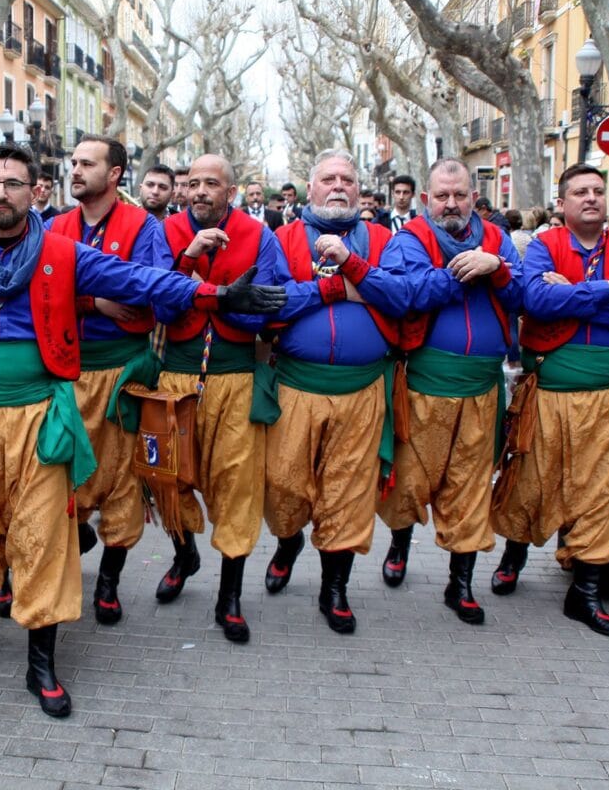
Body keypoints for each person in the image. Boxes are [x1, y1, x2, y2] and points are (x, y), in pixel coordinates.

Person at [0, 143, 284, 717]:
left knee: (43, 537)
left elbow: (141, 282)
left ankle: (41, 661)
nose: (3, 192)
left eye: (15, 182)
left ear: (35, 191)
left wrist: (214, 293)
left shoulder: (63, 253)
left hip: (41, 417)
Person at [490, 164, 609, 636]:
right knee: (531, 481)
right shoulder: (545, 245)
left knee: (602, 491)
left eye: (598, 191)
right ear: (562, 203)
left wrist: (575, 296)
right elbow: (536, 303)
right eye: (580, 192)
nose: (590, 198)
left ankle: (584, 592)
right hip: (550, 393)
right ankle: (514, 555)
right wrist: (607, 292)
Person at [260, 149, 407, 634]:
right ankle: (287, 543)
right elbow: (270, 304)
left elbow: (403, 298)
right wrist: (335, 290)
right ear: (310, 186)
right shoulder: (279, 239)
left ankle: (335, 589)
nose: (338, 185)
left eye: (347, 178)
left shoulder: (386, 240)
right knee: (282, 487)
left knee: (347, 494)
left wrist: (360, 276)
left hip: (363, 390)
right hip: (295, 386)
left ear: (361, 189)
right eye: (328, 179)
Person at [376, 158, 523, 625]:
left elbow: (525, 297)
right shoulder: (408, 239)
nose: (452, 204)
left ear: (474, 196)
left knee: (470, 488)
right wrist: (472, 270)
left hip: (482, 385)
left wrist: (496, 267)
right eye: (442, 196)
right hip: (423, 384)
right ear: (426, 200)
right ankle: (400, 543)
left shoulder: (498, 240)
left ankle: (459, 585)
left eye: (460, 195)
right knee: (410, 482)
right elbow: (406, 294)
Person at [153, 154, 285, 644]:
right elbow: (160, 304)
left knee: (237, 486)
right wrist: (191, 262)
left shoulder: (260, 235)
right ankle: (184, 552)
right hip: (175, 380)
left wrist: (230, 303)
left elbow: (268, 309)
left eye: (213, 183)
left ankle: (229, 596)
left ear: (231, 191)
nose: (201, 191)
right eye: (193, 183)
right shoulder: (163, 233)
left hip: (236, 379)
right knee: (167, 479)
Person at [48, 135, 169, 625]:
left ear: (115, 173)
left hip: (122, 372)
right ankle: (66, 557)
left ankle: (110, 582)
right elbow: (43, 289)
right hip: (64, 369)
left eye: (86, 163)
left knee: (122, 481)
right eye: (73, 163)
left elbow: (155, 292)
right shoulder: (54, 225)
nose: (74, 170)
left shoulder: (145, 226)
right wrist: (94, 301)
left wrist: (82, 288)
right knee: (60, 474)